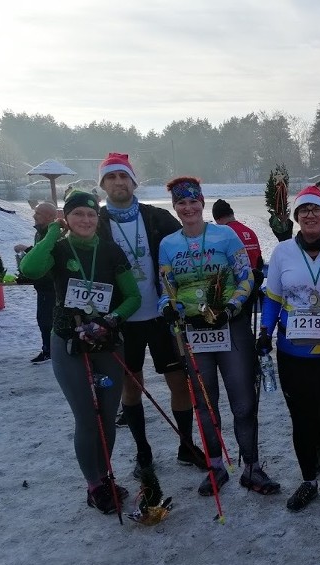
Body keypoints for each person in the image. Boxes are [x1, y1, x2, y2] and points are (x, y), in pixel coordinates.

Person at [19, 190, 142, 514]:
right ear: (67, 218)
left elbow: (132, 297)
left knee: (107, 414)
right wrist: (50, 235)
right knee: (87, 418)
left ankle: (105, 476)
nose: (85, 220)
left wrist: (111, 319)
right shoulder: (58, 249)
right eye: (78, 215)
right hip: (68, 342)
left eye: (90, 215)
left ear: (96, 219)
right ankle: (94, 485)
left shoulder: (111, 251)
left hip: (105, 340)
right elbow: (30, 269)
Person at [158, 176, 274, 496]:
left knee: (243, 400)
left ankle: (251, 466)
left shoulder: (225, 236)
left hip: (229, 325)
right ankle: (215, 466)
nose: (188, 207)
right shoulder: (168, 245)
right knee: (205, 402)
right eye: (182, 203)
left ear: (203, 202)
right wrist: (169, 306)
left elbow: (245, 277)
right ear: (175, 207)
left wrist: (233, 306)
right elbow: (165, 289)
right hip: (193, 330)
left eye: (193, 201)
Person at [94, 153, 205, 479]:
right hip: (122, 319)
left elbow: (190, 247)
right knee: (131, 386)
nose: (118, 183)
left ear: (133, 182)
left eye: (123, 177)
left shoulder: (156, 217)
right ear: (103, 185)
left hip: (162, 317)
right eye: (111, 178)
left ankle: (186, 445)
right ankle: (143, 452)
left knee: (179, 384)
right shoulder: (94, 222)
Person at [258, 186, 320, 515]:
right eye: (304, 210)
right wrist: (264, 332)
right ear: (296, 217)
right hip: (292, 352)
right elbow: (273, 298)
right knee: (302, 420)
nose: (310, 215)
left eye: (317, 210)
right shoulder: (282, 252)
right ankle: (309, 479)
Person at [15, 202, 61, 363]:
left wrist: (27, 250)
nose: (34, 216)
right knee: (44, 319)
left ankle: (51, 351)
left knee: (47, 320)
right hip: (43, 285)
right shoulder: (40, 233)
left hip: (51, 287)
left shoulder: (53, 234)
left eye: (38, 213)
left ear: (49, 216)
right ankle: (49, 350)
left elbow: (49, 258)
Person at [211, 198, 262, 270]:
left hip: (239, 278)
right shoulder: (250, 232)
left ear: (218, 219)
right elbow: (259, 259)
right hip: (255, 276)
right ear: (232, 214)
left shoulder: (223, 234)